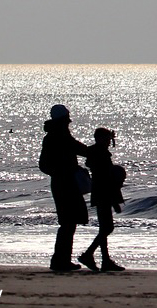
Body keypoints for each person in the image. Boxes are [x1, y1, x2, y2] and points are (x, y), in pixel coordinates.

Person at [38, 104, 89, 271]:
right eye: (66, 119)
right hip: (63, 184)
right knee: (68, 223)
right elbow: (44, 165)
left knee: (69, 223)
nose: (68, 122)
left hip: (63, 183)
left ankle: (61, 259)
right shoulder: (58, 137)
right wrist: (63, 172)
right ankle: (60, 260)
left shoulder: (56, 136)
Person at [78, 128, 126, 272]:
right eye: (107, 139)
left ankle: (105, 260)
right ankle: (89, 254)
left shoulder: (95, 152)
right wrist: (115, 201)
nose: (109, 142)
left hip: (99, 192)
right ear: (99, 139)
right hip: (104, 192)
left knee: (104, 228)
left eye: (109, 139)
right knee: (107, 228)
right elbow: (108, 179)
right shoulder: (101, 154)